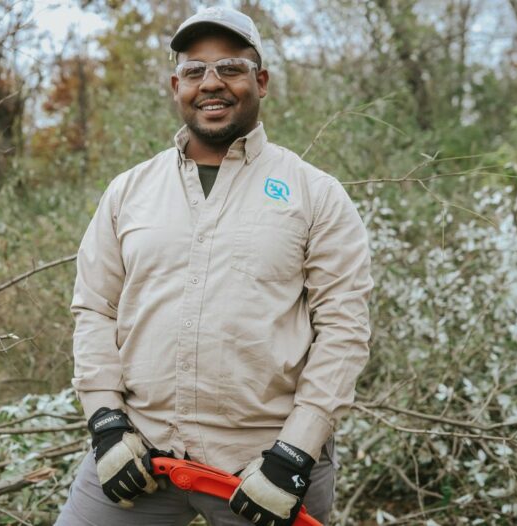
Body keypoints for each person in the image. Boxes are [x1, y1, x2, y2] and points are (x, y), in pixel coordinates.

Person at [56, 6, 373, 526]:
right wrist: (105, 421)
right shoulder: (128, 192)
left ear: (261, 81)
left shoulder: (316, 195)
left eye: (230, 68)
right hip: (140, 453)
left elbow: (343, 329)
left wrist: (296, 451)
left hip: (267, 468)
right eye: (195, 70)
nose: (212, 83)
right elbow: (94, 308)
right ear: (175, 84)